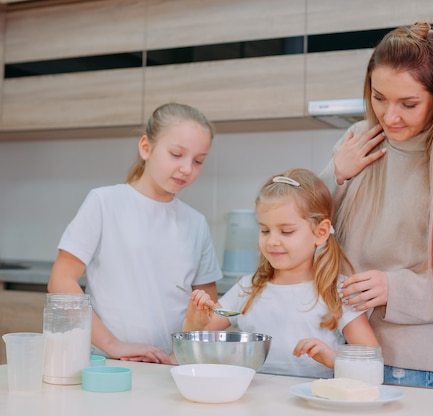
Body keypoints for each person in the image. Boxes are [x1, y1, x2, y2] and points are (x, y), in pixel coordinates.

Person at [319, 22, 433, 387]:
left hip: (404, 363)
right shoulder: (358, 140)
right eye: (379, 98)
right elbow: (307, 225)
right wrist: (337, 176)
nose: (390, 117)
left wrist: (396, 289)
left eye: (408, 104)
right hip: (328, 348)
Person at [48, 102, 223, 364]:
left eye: (198, 161)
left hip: (169, 366)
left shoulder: (196, 223)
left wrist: (181, 355)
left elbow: (207, 305)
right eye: (176, 154)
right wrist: (114, 345)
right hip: (108, 362)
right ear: (146, 148)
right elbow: (61, 281)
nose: (187, 168)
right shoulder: (104, 202)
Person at [182, 168, 379, 378]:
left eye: (286, 231)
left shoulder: (338, 291)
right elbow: (197, 337)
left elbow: (372, 362)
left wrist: (335, 360)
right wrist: (194, 321)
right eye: (265, 230)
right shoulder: (248, 288)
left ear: (320, 232)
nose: (272, 240)